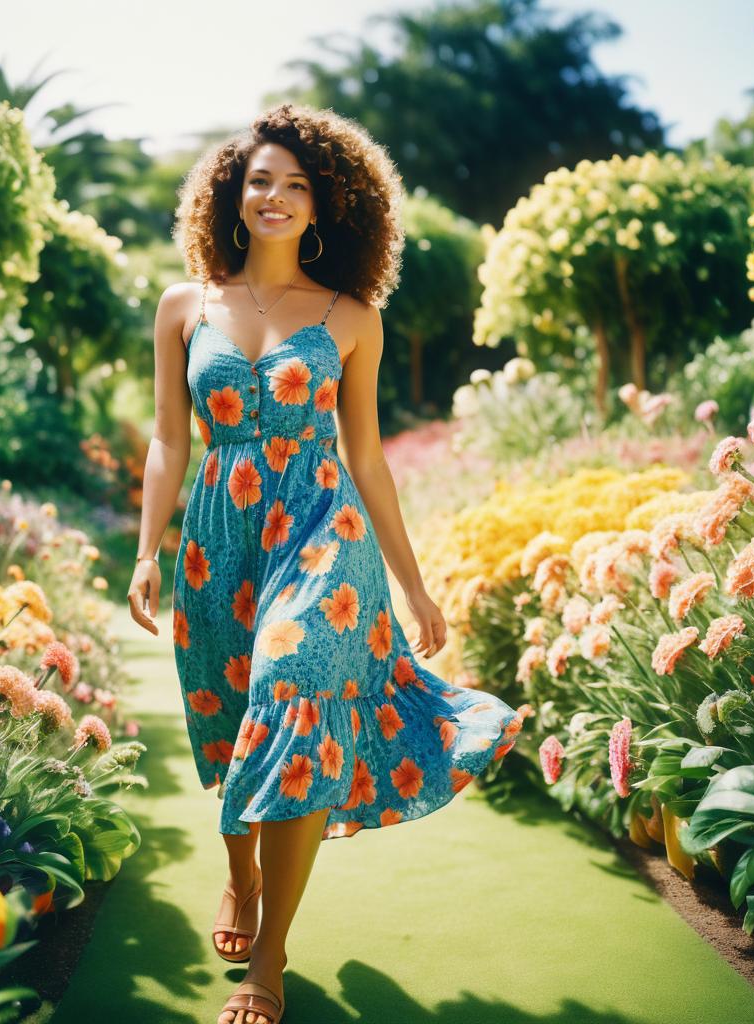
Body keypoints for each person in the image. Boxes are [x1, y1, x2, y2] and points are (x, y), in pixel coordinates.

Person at [128, 102, 525, 1024]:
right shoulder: (184, 305)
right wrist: (147, 552)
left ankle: (267, 965)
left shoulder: (353, 316)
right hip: (219, 541)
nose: (276, 196)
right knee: (233, 720)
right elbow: (166, 441)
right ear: (233, 193)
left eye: (297, 186)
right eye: (261, 179)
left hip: (321, 533)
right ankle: (241, 873)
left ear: (324, 207)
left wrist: (414, 584)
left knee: (293, 683)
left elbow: (369, 458)